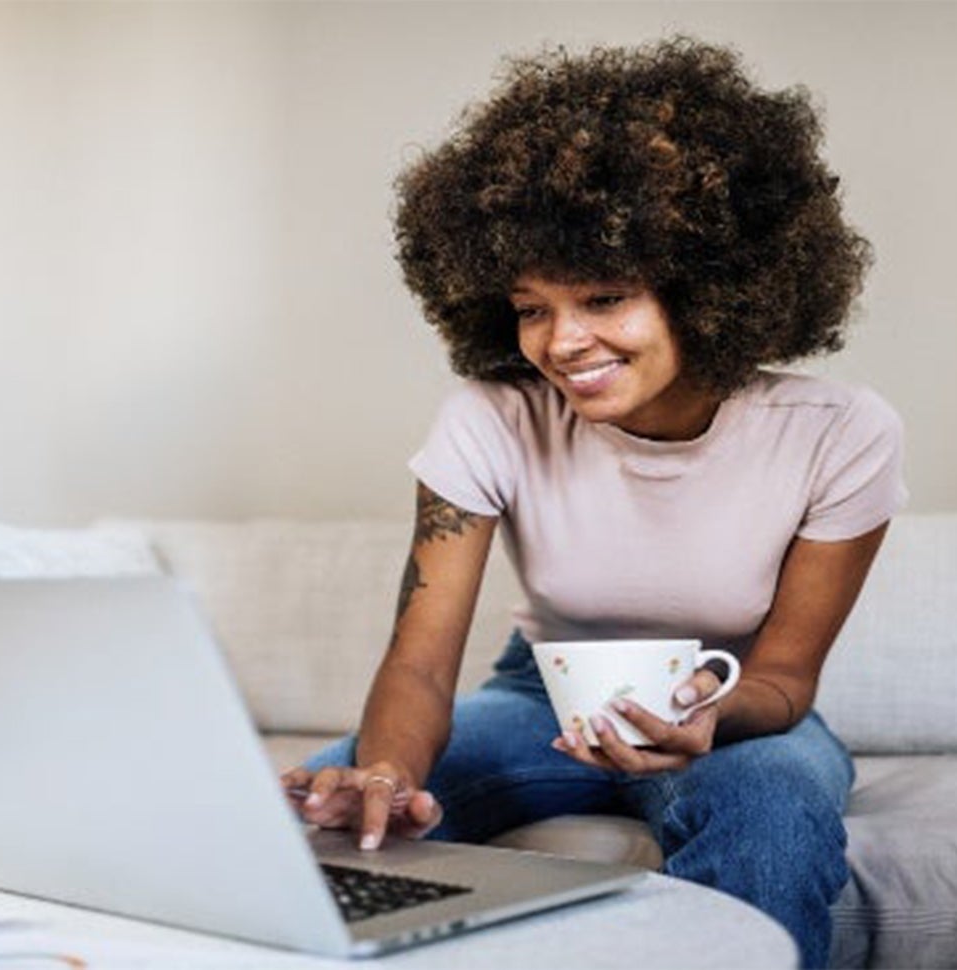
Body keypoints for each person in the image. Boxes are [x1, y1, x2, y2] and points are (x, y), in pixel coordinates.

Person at [280, 36, 906, 969]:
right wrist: (383, 773)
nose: (563, 341)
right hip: (539, 691)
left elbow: (783, 681)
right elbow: (418, 664)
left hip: (732, 704)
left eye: (605, 296)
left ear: (706, 292)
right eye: (532, 307)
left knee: (773, 817)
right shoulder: (488, 420)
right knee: (314, 813)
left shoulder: (839, 431)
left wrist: (702, 717)